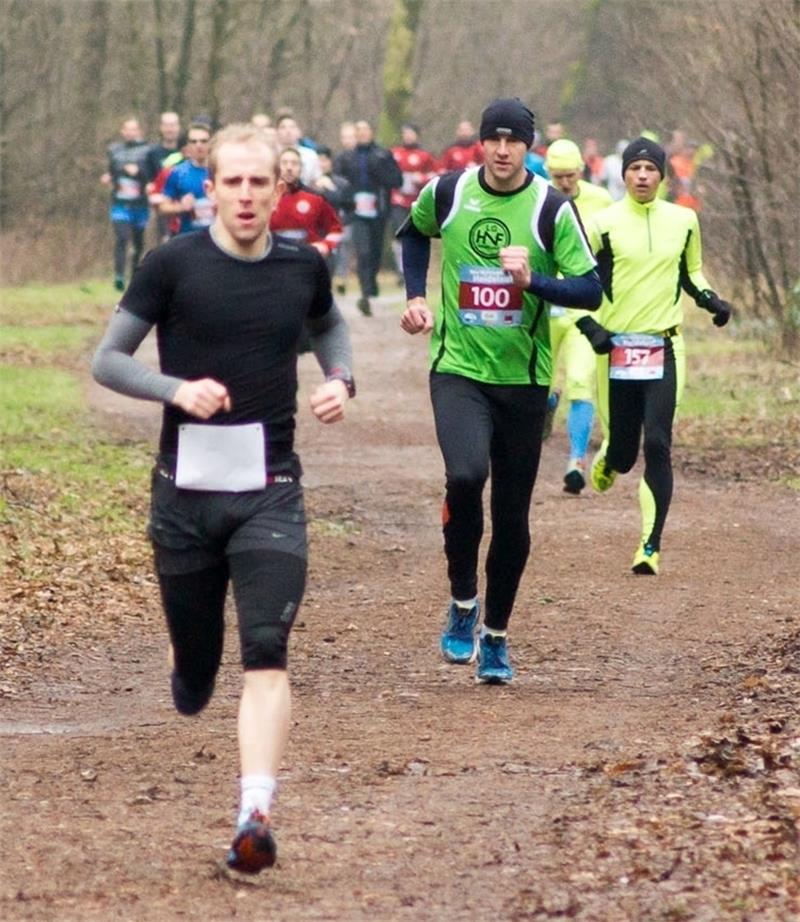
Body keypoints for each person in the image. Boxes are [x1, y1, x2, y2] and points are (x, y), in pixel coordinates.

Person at [92, 123, 355, 874]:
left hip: (270, 489)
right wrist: (175, 389)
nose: (244, 196)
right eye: (231, 183)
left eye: (258, 183)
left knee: (266, 651)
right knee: (197, 673)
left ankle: (255, 813)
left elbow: (329, 328)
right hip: (184, 498)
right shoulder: (171, 265)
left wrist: (340, 380)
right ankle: (190, 662)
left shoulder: (302, 266)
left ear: (281, 188)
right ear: (210, 189)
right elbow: (109, 360)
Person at [399, 98, 601, 684]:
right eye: (494, 140)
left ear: (530, 147)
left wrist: (533, 280)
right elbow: (412, 234)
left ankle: (496, 636)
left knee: (511, 517)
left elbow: (590, 289)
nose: (503, 150)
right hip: (459, 369)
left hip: (525, 381)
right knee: (464, 476)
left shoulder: (551, 209)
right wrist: (416, 296)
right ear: (481, 143)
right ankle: (463, 602)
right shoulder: (448, 193)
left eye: (515, 141)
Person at [578, 136, 732, 575]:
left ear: (663, 176)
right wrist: (592, 328)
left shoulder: (684, 220)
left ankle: (650, 545)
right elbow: (578, 282)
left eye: (650, 170)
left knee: (659, 443)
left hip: (665, 345)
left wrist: (711, 301)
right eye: (634, 169)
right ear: (623, 174)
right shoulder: (603, 223)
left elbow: (692, 272)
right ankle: (610, 458)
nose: (642, 176)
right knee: (625, 454)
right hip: (618, 349)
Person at [544, 139, 613, 494]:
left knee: (582, 381)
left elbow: (612, 252)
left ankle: (576, 460)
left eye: (570, 176)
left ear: (581, 171)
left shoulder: (601, 202)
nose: (565, 183)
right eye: (557, 177)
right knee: (537, 382)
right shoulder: (536, 198)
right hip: (542, 304)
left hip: (583, 308)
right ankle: (546, 404)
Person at [333, 119, 402, 316]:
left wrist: (379, 171)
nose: (362, 134)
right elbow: (338, 181)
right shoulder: (346, 157)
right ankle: (365, 293)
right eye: (358, 131)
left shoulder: (382, 154)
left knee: (375, 251)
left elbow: (397, 179)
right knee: (362, 250)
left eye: (365, 131)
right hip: (356, 211)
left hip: (378, 209)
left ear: (372, 132)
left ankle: (371, 282)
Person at [101, 116, 152, 290]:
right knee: (122, 237)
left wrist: (139, 172)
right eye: (127, 129)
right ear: (122, 132)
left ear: (138, 131)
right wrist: (109, 177)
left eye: (133, 129)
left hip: (140, 204)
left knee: (138, 241)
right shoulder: (114, 150)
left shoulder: (147, 151)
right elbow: (111, 171)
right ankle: (119, 276)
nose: (130, 132)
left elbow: (153, 176)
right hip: (120, 203)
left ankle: (134, 274)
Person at [270, 147, 343, 259]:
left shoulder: (316, 198)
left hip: (306, 263)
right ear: (277, 168)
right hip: (274, 262)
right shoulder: (266, 198)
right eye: (284, 163)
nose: (289, 167)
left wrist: (325, 246)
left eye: (294, 163)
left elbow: (336, 229)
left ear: (301, 168)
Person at [389, 123, 437, 281]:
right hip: (398, 200)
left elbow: (435, 175)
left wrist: (420, 178)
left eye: (411, 133)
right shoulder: (394, 153)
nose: (408, 137)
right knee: (398, 235)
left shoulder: (424, 155)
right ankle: (400, 270)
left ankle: (416, 268)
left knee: (416, 235)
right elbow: (385, 173)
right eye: (405, 133)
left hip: (417, 201)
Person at [159, 122, 214, 234]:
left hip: (219, 239)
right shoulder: (178, 172)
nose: (199, 145)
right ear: (188, 146)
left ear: (211, 143)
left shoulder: (222, 170)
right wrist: (181, 207)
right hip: (189, 238)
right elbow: (163, 207)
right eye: (194, 141)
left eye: (203, 141)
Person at [275, 112, 321, 186]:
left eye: (292, 127)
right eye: (283, 127)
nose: (288, 131)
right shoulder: (271, 155)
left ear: (299, 132)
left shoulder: (310, 155)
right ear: (276, 132)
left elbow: (315, 181)